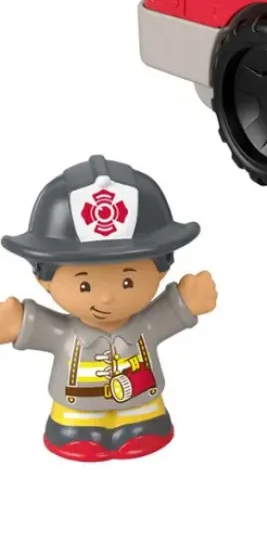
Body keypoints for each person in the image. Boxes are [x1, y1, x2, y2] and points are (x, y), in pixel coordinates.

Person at [0, 155, 217, 461]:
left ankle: (140, 428)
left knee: (146, 424)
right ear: (43, 278)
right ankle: (80, 433)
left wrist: (186, 301)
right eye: (84, 285)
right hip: (75, 411)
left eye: (128, 282)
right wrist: (17, 322)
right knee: (76, 430)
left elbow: (169, 314)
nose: (105, 299)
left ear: (162, 270)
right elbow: (35, 327)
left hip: (142, 404)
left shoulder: (146, 324)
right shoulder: (64, 332)